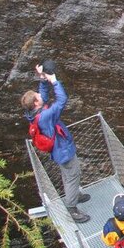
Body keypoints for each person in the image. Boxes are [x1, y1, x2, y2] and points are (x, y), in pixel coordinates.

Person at [20, 60, 91, 223]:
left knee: (69, 174)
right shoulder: (45, 116)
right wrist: (54, 81)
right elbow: (61, 100)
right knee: (73, 175)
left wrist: (42, 78)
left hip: (58, 150)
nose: (40, 95)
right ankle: (72, 208)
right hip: (63, 150)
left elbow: (43, 96)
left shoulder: (33, 113)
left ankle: (75, 195)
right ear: (36, 103)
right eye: (37, 96)